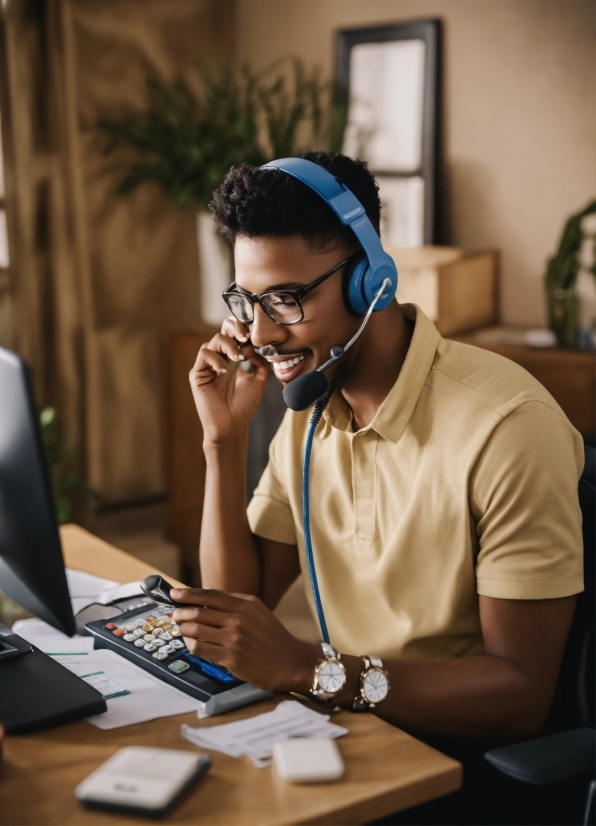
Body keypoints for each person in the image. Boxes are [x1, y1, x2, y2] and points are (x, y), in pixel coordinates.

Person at [171, 151, 583, 786]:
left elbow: (520, 695)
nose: (259, 333)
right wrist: (223, 442)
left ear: (371, 280)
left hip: (463, 767)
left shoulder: (508, 427)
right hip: (353, 728)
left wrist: (312, 670)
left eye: (284, 299)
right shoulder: (310, 405)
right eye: (246, 301)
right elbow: (239, 609)